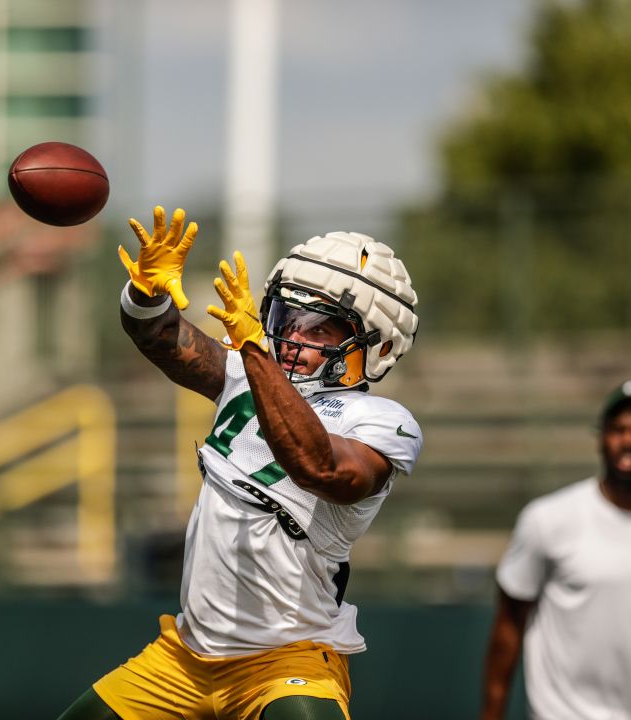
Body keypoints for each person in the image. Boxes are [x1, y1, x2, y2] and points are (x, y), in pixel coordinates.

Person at [56, 206, 423, 720]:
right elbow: (162, 339)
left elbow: (322, 469)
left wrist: (255, 350)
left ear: (377, 346)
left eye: (320, 328)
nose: (296, 337)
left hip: (286, 659)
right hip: (183, 658)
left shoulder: (383, 420)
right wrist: (146, 295)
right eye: (288, 318)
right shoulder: (247, 370)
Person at [480, 380, 631, 720]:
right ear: (601, 437)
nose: (628, 440)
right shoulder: (546, 520)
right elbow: (508, 626)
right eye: (618, 429)